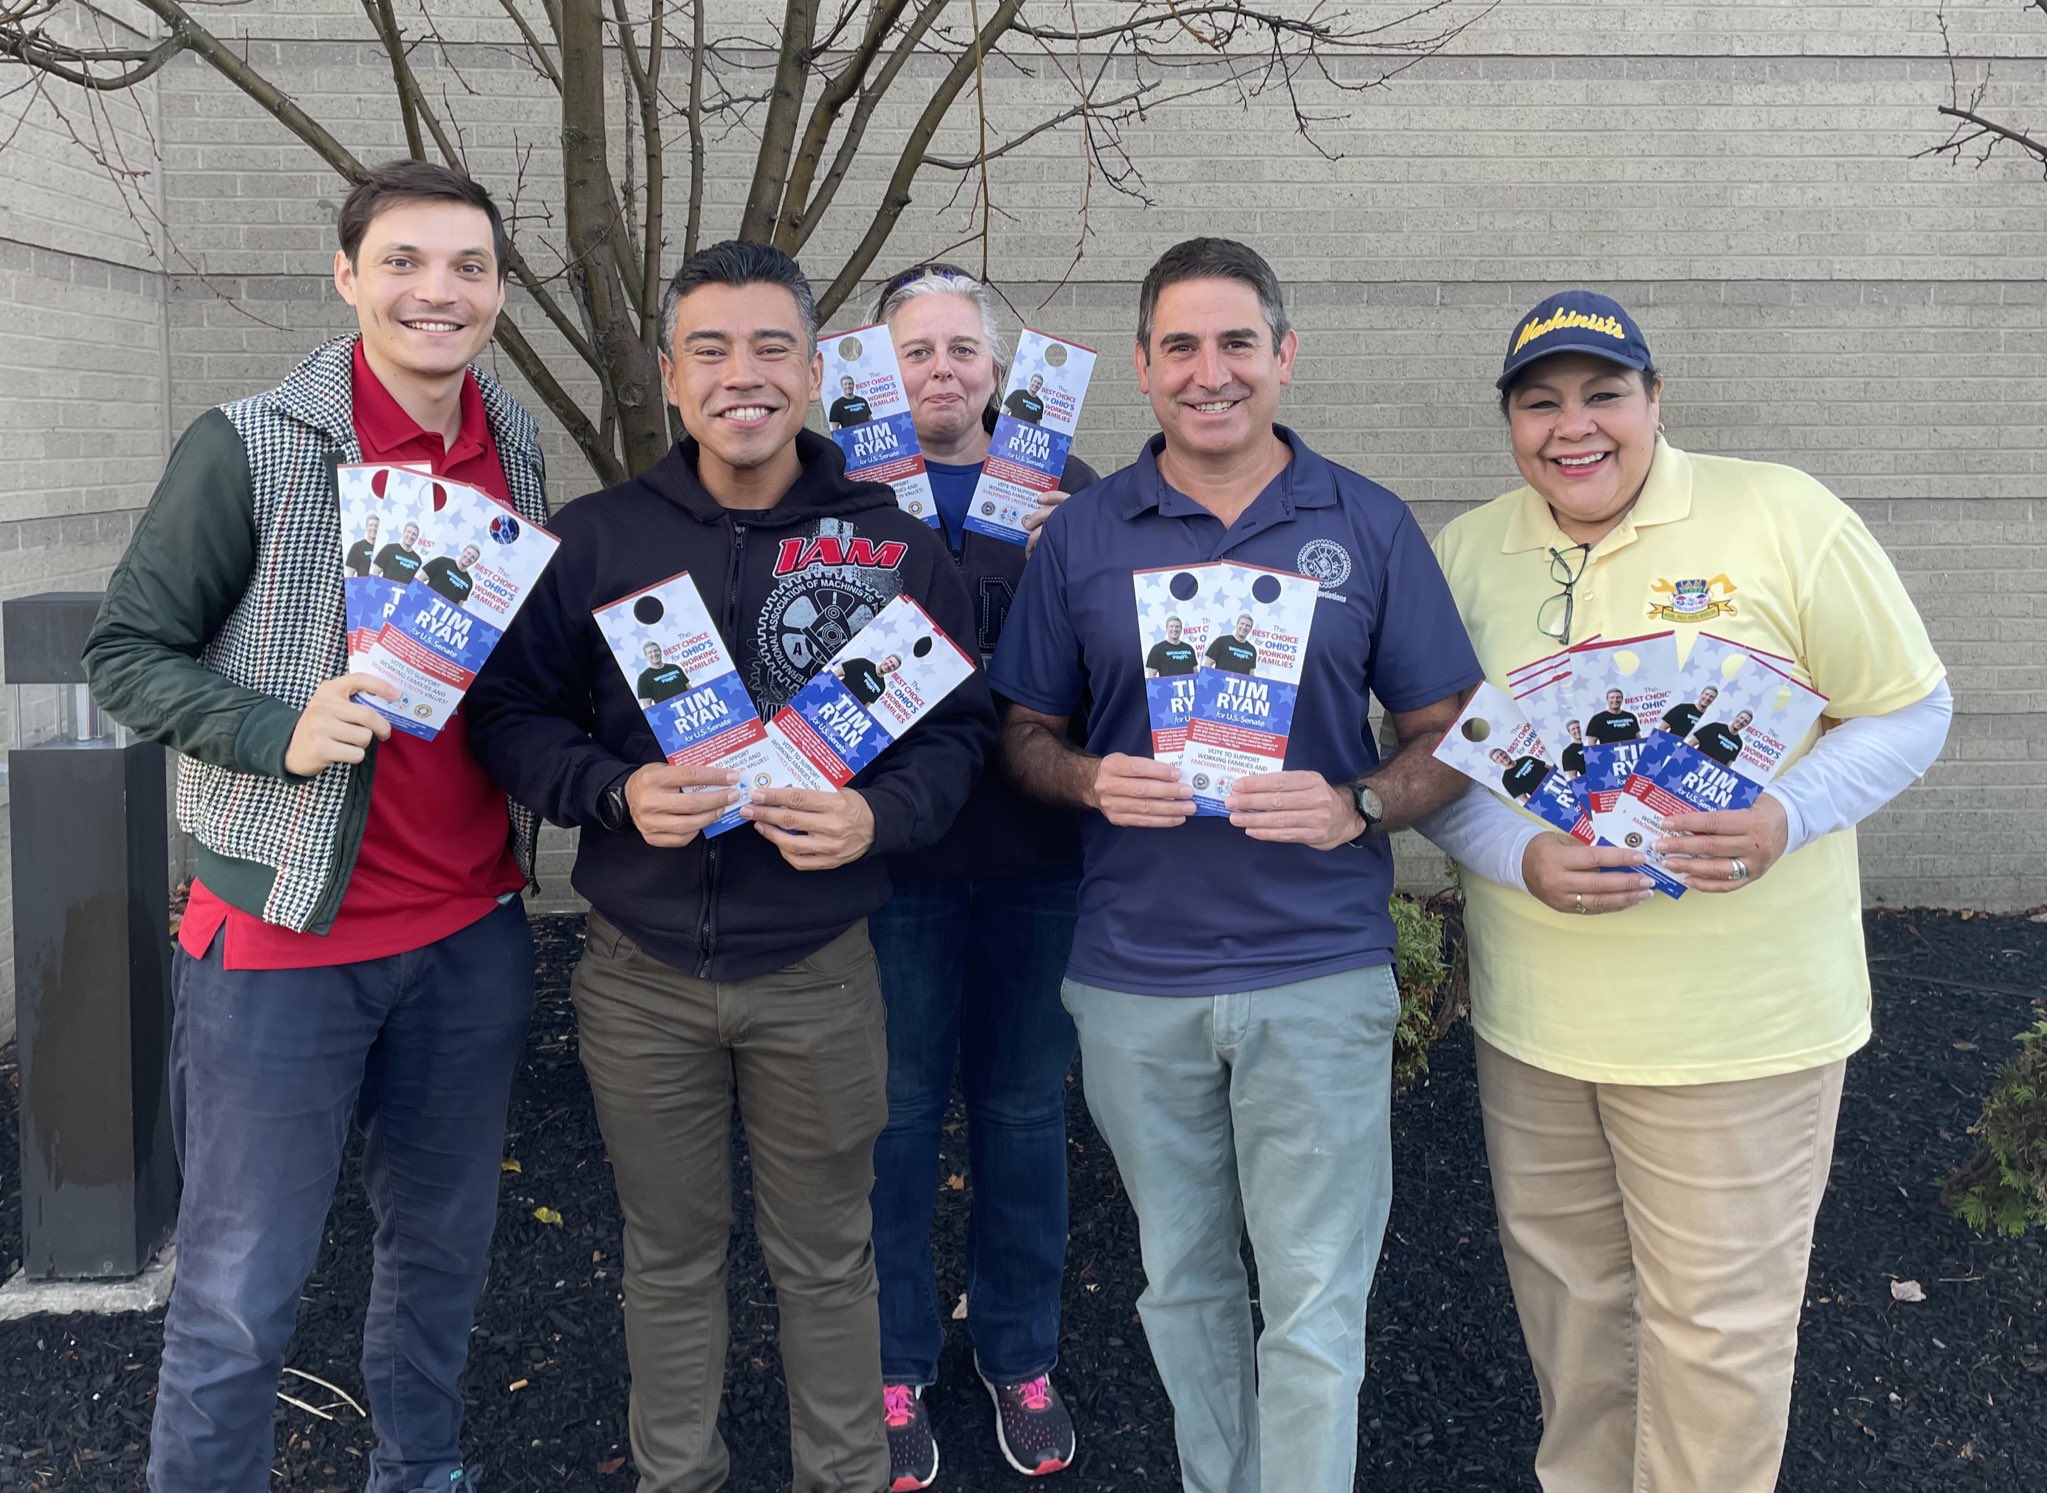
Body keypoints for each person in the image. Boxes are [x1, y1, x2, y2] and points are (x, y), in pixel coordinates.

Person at [464, 240, 994, 1493]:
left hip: (816, 969)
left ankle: (844, 1476)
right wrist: (610, 788)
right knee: (668, 1253)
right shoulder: (595, 540)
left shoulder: (895, 548)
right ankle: (678, 1476)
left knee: (827, 1255)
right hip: (639, 975)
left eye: (770, 348)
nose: (740, 375)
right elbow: (507, 716)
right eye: (709, 348)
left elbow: (961, 731)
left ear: (814, 371)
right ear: (668, 374)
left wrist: (881, 820)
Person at [1419, 288, 1951, 1493]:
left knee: (1717, 1332)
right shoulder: (1464, 553)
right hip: (1539, 1023)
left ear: (1656, 400)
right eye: (1540, 402)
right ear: (1508, 422)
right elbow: (1430, 770)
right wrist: (1514, 855)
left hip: (1742, 1028)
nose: (1574, 427)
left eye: (1604, 395)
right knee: (1570, 1309)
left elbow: (1912, 706)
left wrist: (1786, 812)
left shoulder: (1780, 513)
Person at [81, 160, 548, 1493]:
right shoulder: (248, 445)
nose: (435, 292)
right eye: (402, 261)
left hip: (470, 930)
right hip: (284, 936)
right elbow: (127, 650)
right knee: (238, 1293)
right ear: (345, 277)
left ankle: (421, 1472)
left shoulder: (509, 447)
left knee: (441, 1259)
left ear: (498, 291)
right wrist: (270, 729)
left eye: (466, 266)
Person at [993, 237, 1482, 1493]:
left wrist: (1359, 802)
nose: (1210, 373)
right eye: (1179, 347)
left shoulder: (1364, 523)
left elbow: (1456, 733)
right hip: (1133, 974)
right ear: (1146, 370)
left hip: (1315, 966)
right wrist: (1090, 775)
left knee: (1316, 1296)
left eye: (1235, 344)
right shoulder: (1085, 536)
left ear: (1283, 354)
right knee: (1185, 1280)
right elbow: (1023, 733)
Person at [861, 260, 1101, 1489]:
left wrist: (1086, 557)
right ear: (876, 369)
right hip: (895, 857)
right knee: (895, 1118)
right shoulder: (835, 491)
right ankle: (894, 1360)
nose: (941, 370)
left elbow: (1130, 668)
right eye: (917, 351)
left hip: (1035, 856)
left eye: (962, 350)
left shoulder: (1077, 491)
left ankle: (1019, 1352)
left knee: (1018, 1114)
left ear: (998, 372)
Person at [836, 652, 901, 706]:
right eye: (890, 661)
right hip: (836, 694)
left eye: (893, 666)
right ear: (886, 659)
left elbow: (865, 707)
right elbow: (838, 673)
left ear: (893, 670)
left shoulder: (881, 687)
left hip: (846, 708)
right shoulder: (863, 663)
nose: (889, 665)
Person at [636, 640, 690, 706]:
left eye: (656, 651)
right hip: (668, 713)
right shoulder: (643, 678)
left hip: (689, 707)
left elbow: (690, 689)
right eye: (650, 652)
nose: (654, 654)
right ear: (646, 656)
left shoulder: (675, 668)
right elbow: (647, 705)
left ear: (660, 652)